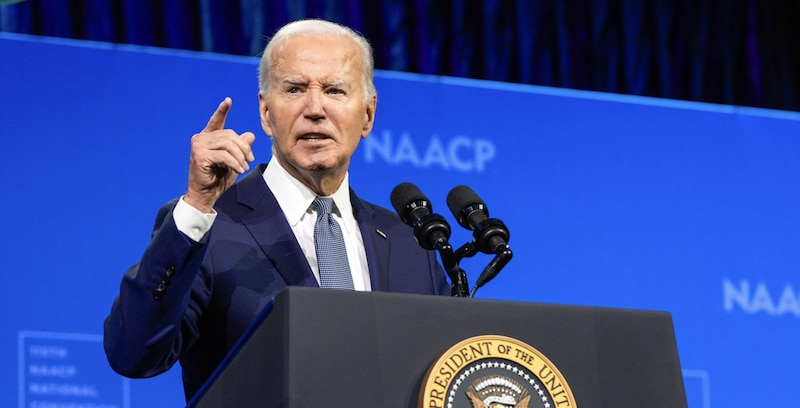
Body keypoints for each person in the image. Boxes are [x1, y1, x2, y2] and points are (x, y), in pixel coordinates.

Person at [103, 18, 450, 402]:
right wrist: (197, 206)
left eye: (334, 90)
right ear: (266, 113)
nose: (314, 109)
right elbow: (133, 354)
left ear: (367, 114)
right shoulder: (209, 224)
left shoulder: (410, 244)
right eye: (295, 89)